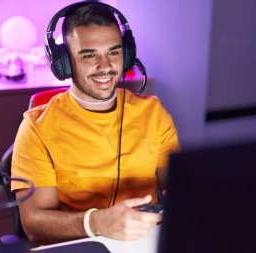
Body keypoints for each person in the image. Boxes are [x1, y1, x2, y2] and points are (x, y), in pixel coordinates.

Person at [11, 2, 180, 246]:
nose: (106, 66)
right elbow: (34, 225)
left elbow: (179, 188)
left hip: (146, 242)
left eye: (114, 52)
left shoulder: (154, 113)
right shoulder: (36, 128)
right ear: (64, 63)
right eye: (90, 55)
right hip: (80, 247)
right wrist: (97, 223)